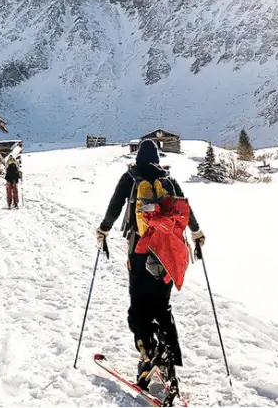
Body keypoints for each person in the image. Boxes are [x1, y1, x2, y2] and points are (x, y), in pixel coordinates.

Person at [96, 139, 205, 393]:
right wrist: (197, 234)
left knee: (139, 309)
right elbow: (186, 210)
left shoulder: (131, 178)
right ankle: (167, 362)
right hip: (167, 255)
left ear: (138, 158)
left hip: (139, 252)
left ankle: (148, 359)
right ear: (157, 157)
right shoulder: (168, 180)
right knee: (161, 306)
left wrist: (103, 230)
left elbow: (114, 207)